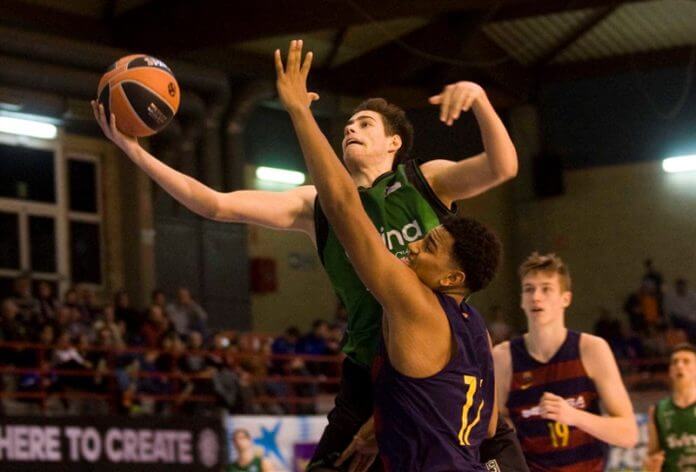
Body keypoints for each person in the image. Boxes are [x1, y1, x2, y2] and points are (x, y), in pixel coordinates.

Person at [91, 35, 523, 470]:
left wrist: (481, 100)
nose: (351, 128)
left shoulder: (425, 182)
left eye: (366, 123)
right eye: (348, 125)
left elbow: (502, 166)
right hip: (370, 370)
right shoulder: (313, 204)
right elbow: (214, 204)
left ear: (394, 143)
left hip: (441, 363)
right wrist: (134, 151)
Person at [275, 39, 503, 471]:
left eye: (430, 243)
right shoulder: (476, 329)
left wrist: (300, 113)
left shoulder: (407, 299)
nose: (416, 243)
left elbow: (342, 206)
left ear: (453, 276)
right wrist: (391, 419)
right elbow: (488, 423)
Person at [493, 253, 638, 471]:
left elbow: (628, 433)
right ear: (522, 300)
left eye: (546, 288)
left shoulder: (591, 349)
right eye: (529, 289)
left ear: (566, 299)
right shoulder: (503, 357)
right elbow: (495, 426)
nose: (536, 297)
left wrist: (574, 416)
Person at [645, 343, 696, 472]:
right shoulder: (657, 411)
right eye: (675, 362)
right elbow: (653, 454)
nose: (679, 365)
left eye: (686, 361)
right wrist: (651, 466)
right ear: (670, 371)